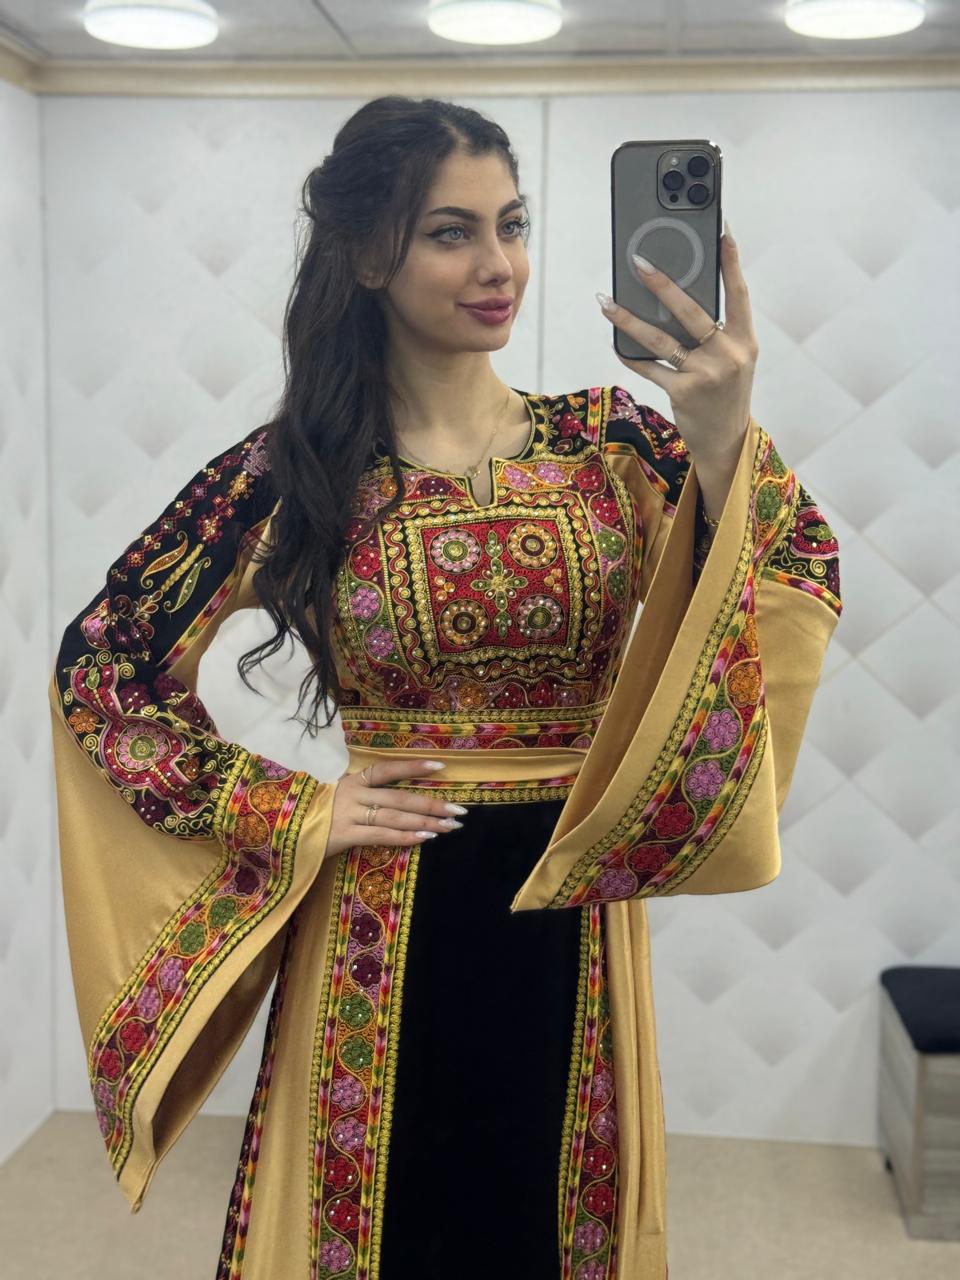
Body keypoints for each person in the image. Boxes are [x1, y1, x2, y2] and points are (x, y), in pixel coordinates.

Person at [48, 95, 843, 1280]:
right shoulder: (298, 470)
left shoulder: (609, 444)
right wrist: (291, 805)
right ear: (370, 254)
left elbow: (793, 570)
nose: (499, 264)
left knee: (548, 1214)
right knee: (384, 1219)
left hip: (567, 910)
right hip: (378, 914)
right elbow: (103, 665)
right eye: (451, 232)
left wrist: (723, 434)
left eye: (511, 224)